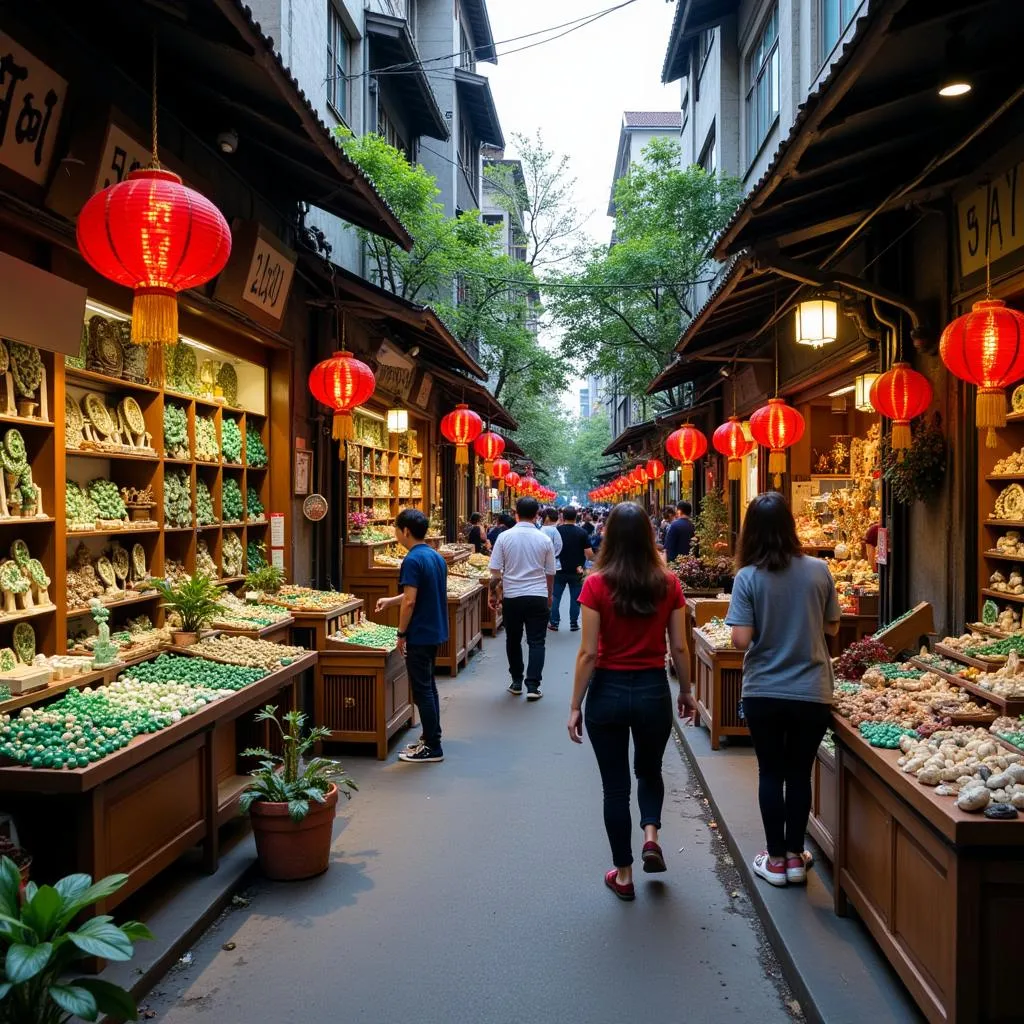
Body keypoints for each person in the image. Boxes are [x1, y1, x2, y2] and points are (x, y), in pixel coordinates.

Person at [567, 502, 696, 901]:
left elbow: (588, 652)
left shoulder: (595, 584)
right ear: (646, 535)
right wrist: (687, 691)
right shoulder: (668, 582)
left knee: (614, 788)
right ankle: (651, 835)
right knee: (649, 769)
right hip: (652, 690)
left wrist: (575, 704)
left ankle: (623, 874)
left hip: (606, 691)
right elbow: (679, 646)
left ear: (609, 536)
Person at [725, 492, 841, 887]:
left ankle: (774, 860)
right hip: (812, 689)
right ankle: (795, 856)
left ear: (751, 532)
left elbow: (741, 640)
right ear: (790, 526)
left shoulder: (748, 577)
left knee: (771, 772)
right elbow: (832, 628)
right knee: (800, 773)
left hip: (764, 691)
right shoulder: (819, 570)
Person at [375, 509, 449, 764]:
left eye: (396, 528)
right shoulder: (434, 556)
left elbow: (410, 601)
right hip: (435, 629)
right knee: (429, 686)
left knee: (421, 690)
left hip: (420, 632)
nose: (395, 533)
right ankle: (431, 737)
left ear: (405, 531)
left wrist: (401, 633)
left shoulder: (412, 560)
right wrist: (391, 600)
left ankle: (433, 745)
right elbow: (414, 595)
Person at [489, 497, 556, 700]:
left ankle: (517, 681)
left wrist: (494, 595)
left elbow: (495, 572)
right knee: (537, 641)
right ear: (537, 515)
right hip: (537, 595)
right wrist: (550, 595)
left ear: (515, 513)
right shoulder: (544, 539)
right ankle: (533, 686)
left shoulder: (504, 537)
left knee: (513, 639)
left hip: (513, 596)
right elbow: (550, 572)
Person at [549, 505, 593, 632]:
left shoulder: (556, 531)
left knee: (556, 596)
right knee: (576, 598)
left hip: (558, 569)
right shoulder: (582, 533)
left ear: (562, 517)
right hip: (577, 570)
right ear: (576, 517)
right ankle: (573, 623)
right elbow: (589, 554)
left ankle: (554, 623)